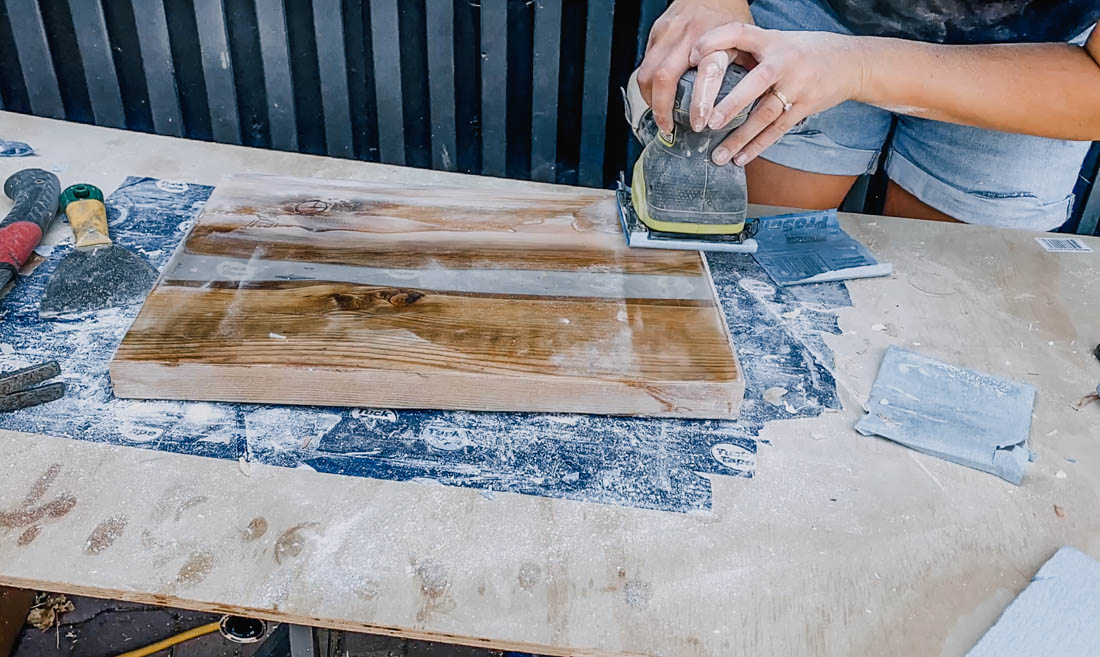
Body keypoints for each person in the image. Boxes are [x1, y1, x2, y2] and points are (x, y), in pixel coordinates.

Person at [634, 0, 1100, 230]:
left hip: (1033, 58)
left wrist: (856, 66)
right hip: (825, 11)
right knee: (726, 237)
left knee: (949, 299)